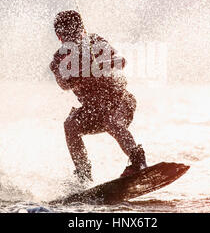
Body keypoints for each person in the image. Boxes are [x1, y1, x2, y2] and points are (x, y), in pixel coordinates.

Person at [49, 10, 147, 183]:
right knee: (70, 125)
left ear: (83, 30)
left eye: (76, 33)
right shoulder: (58, 59)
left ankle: (137, 160)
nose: (73, 38)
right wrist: (82, 73)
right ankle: (83, 174)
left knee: (111, 120)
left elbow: (121, 61)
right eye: (68, 35)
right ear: (60, 37)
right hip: (93, 112)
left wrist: (101, 65)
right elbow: (63, 84)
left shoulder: (95, 42)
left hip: (121, 102)